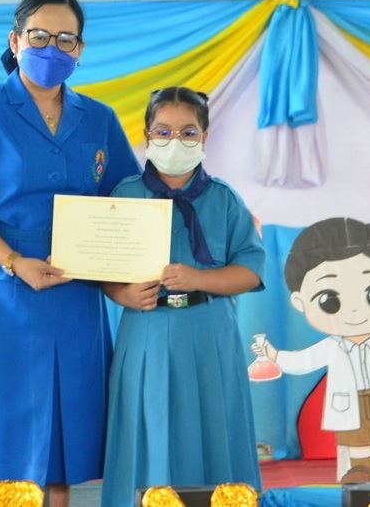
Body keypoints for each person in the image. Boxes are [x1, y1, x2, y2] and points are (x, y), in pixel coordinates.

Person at [0, 0, 141, 507]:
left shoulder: (100, 118)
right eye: (39, 36)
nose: (52, 48)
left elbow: (129, 202)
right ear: (15, 40)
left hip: (74, 290)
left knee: (64, 455)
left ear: (80, 49)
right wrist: (13, 261)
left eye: (65, 39)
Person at [100, 87, 265, 507]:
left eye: (188, 132)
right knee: (146, 425)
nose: (175, 141)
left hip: (209, 331)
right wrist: (122, 293)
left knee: (215, 426)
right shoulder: (124, 194)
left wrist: (199, 277)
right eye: (163, 131)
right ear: (147, 134)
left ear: (204, 137)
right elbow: (100, 267)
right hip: (146, 330)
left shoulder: (224, 199)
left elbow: (250, 271)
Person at [250, 218, 370, 483]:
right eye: (330, 300)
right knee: (356, 439)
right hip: (350, 401)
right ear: (300, 302)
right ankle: (359, 469)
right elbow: (305, 360)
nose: (355, 311)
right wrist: (274, 355)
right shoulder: (332, 345)